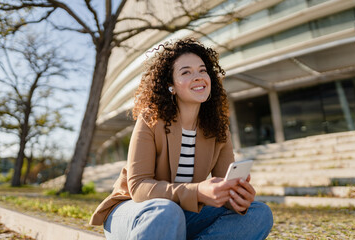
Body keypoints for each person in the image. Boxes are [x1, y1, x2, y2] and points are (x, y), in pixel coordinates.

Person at [90, 38, 273, 240]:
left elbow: (223, 191)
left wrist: (237, 198)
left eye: (202, 70)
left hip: (184, 213)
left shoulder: (218, 129)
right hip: (135, 211)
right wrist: (197, 192)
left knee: (258, 213)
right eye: (186, 72)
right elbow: (139, 188)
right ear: (171, 86)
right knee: (167, 211)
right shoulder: (151, 119)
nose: (198, 77)